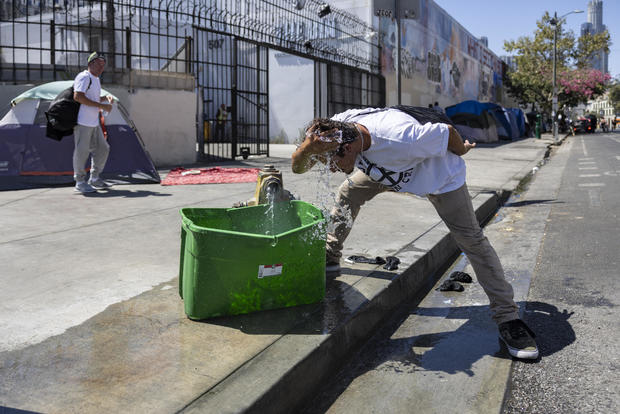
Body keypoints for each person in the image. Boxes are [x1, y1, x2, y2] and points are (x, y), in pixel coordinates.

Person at [291, 106, 539, 360]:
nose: (331, 168)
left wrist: (462, 149)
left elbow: (448, 132)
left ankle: (508, 318)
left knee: (472, 241)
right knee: (348, 192)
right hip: (384, 171)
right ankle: (330, 254)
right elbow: (297, 167)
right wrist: (306, 149)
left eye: (333, 160)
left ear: (350, 146)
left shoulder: (402, 137)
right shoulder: (337, 128)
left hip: (440, 180)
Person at [72, 51, 114, 193]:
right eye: (98, 64)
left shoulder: (95, 79)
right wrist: (102, 106)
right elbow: (78, 97)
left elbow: (92, 99)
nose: (101, 68)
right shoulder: (84, 77)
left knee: (103, 149)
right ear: (90, 64)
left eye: (103, 65)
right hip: (82, 122)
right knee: (81, 152)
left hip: (93, 123)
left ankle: (94, 178)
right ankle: (79, 181)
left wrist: (104, 98)